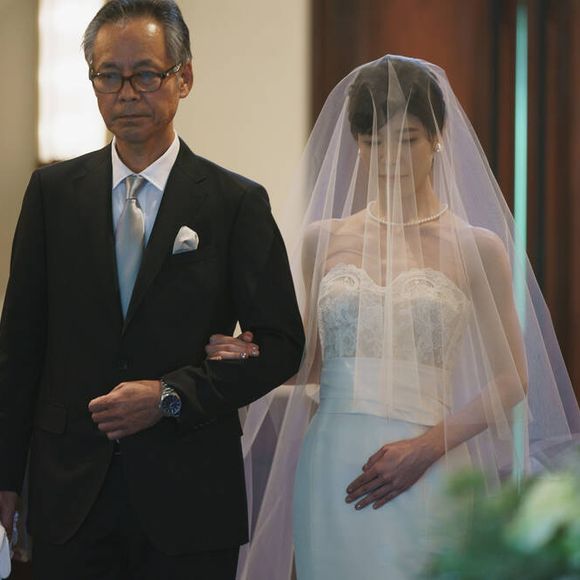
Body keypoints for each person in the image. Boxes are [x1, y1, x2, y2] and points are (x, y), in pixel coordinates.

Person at [207, 55, 580, 579]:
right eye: (373, 142)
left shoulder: (478, 247)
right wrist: (251, 355)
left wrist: (425, 448)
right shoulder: (324, 240)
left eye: (407, 140)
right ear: (357, 144)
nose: (391, 158)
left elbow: (512, 379)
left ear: (438, 139)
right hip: (333, 459)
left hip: (431, 459)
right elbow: (312, 361)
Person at [0, 1, 304, 578]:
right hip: (69, 493)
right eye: (108, 76)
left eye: (145, 74)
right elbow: (19, 347)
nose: (126, 94)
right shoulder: (51, 194)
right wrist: (5, 480)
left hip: (188, 494)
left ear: (183, 77)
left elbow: (283, 345)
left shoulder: (235, 203)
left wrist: (170, 394)